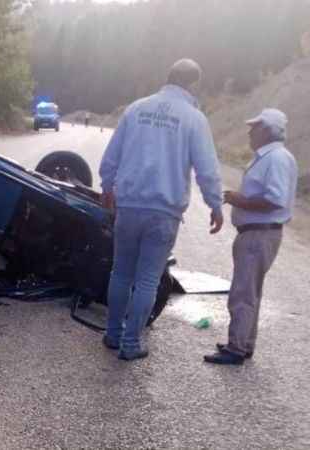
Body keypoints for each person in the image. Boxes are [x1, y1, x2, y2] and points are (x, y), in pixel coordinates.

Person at [99, 59, 224, 360]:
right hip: (163, 212)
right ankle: (130, 344)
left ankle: (113, 334)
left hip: (128, 206)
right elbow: (206, 169)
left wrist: (107, 187)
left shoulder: (136, 109)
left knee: (120, 274)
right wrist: (215, 204)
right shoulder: (194, 119)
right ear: (192, 84)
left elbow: (112, 155)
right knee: (147, 280)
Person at [204, 108, 297, 365]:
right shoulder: (276, 157)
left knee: (243, 292)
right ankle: (244, 343)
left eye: (255, 127)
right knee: (251, 291)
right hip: (261, 233)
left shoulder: (275, 158)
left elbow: (273, 200)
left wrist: (238, 200)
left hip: (258, 234)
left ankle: (236, 348)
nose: (250, 131)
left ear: (267, 130)